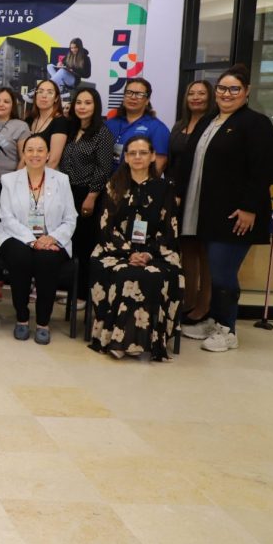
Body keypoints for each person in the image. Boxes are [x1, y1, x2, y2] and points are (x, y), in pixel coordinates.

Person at [178, 65, 273, 353]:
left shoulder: (256, 124)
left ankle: (228, 329)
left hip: (236, 215)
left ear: (246, 92)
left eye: (234, 89)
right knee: (214, 270)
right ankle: (213, 321)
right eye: (222, 88)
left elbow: (262, 170)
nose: (227, 94)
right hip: (208, 212)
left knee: (223, 274)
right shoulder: (210, 121)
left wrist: (249, 208)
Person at [88, 135, 183, 360]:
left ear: (153, 156)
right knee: (124, 274)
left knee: (153, 275)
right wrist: (130, 252)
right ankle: (119, 339)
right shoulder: (114, 185)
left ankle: (142, 341)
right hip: (116, 251)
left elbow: (169, 228)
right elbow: (106, 226)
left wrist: (148, 253)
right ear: (126, 158)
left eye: (143, 153)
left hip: (156, 253)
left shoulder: (165, 188)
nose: (137, 157)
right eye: (132, 153)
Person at [0, 133, 78, 344]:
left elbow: (70, 218)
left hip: (52, 237)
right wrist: (32, 240)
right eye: (30, 150)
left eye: (40, 150)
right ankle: (22, 318)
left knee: (46, 260)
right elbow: (6, 217)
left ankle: (43, 322)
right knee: (20, 257)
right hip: (14, 235)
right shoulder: (9, 180)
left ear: (48, 154)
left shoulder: (61, 180)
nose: (35, 154)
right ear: (23, 154)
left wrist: (53, 238)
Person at [59, 87, 115, 305]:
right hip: (65, 192)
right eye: (79, 102)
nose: (82, 107)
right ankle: (69, 290)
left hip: (87, 194)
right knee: (69, 242)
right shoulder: (71, 129)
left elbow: (104, 169)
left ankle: (82, 295)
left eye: (88, 103)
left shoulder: (102, 132)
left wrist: (92, 196)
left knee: (84, 245)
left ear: (96, 106)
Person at [168, 80, 216, 326]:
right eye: (192, 93)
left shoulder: (213, 125)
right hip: (178, 192)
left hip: (202, 193)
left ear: (210, 97)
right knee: (185, 247)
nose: (196, 97)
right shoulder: (179, 125)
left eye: (201, 93)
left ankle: (204, 304)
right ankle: (187, 301)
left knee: (204, 250)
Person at [0, 87, 30, 245]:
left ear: (12, 105)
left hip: (7, 184)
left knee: (2, 222)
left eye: (6, 101)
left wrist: (14, 182)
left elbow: (24, 157)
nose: (1, 104)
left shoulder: (20, 126)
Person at [106, 78, 170, 172]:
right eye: (129, 92)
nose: (133, 97)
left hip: (136, 180)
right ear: (124, 97)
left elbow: (159, 164)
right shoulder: (109, 124)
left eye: (139, 94)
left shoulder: (157, 128)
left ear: (147, 100)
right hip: (107, 180)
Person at [25, 79, 68, 169]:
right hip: (27, 172)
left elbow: (53, 161)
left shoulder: (60, 122)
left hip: (47, 174)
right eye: (40, 91)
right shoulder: (29, 120)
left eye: (49, 92)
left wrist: (35, 177)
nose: (44, 96)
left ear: (56, 98)